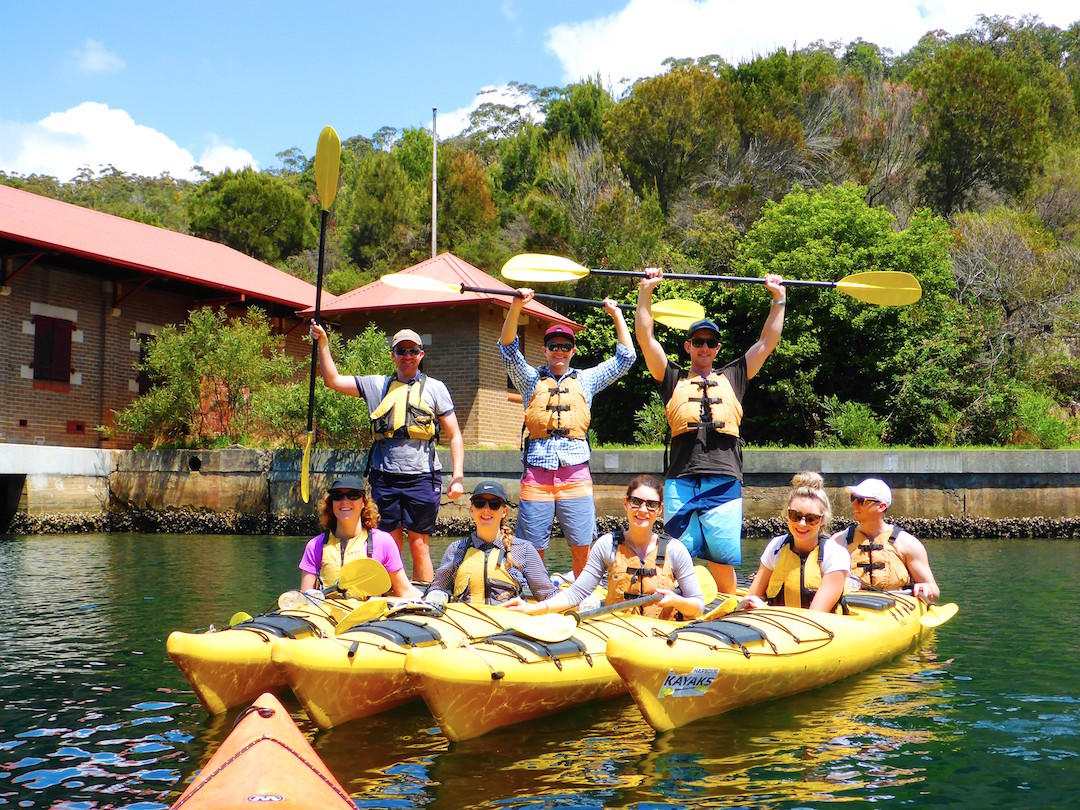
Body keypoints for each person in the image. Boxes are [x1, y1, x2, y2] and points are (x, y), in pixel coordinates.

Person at [635, 267, 786, 595]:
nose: (705, 347)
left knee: (721, 559)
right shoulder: (672, 378)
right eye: (699, 342)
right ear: (688, 346)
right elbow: (646, 339)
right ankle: (675, 610)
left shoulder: (734, 376)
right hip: (681, 478)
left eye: (711, 343)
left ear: (718, 348)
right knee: (677, 555)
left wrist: (779, 300)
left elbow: (766, 343)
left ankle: (727, 609)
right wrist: (646, 291)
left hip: (723, 478)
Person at [310, 322, 464, 583]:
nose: (407, 356)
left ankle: (422, 598)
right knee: (388, 542)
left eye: (412, 351)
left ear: (421, 355)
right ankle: (391, 596)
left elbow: (455, 435)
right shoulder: (376, 385)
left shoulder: (436, 388)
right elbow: (332, 380)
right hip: (385, 476)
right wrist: (323, 342)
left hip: (423, 476)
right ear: (393, 355)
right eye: (401, 351)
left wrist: (457, 476)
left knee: (419, 542)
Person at [498, 291, 636, 576]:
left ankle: (580, 595)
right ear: (545, 350)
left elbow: (626, 358)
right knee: (532, 546)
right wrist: (516, 306)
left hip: (575, 473)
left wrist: (617, 314)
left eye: (565, 346)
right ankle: (538, 592)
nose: (559, 351)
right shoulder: (529, 380)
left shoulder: (586, 379)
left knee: (582, 544)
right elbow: (508, 348)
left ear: (573, 351)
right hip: (537, 471)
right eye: (553, 346)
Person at [506, 474, 705, 620]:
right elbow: (576, 593)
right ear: (625, 504)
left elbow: (698, 607)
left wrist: (676, 601)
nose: (643, 510)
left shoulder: (675, 550)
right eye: (636, 502)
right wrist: (534, 608)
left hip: (662, 636)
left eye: (651, 505)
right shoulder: (607, 545)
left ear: (659, 509)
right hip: (619, 632)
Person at [425, 481, 557, 605]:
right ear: (472, 510)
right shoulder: (456, 549)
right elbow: (439, 587)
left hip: (509, 624)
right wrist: (436, 596)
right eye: (479, 503)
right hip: (466, 621)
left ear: (504, 512)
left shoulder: (524, 549)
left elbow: (547, 595)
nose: (486, 509)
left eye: (494, 504)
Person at [739, 472, 850, 613]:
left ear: (822, 520)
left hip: (820, 629)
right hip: (775, 625)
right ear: (787, 514)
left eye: (811, 518)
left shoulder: (835, 555)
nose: (802, 524)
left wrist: (766, 610)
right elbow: (751, 598)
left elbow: (816, 616)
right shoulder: (776, 546)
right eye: (795, 516)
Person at [298, 476, 422, 599]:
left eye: (353, 495)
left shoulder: (383, 542)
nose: (345, 501)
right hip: (327, 615)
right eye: (337, 496)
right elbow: (305, 597)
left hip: (370, 615)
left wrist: (430, 601)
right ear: (331, 503)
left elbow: (404, 591)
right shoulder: (315, 546)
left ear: (363, 502)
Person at [829, 478, 941, 602]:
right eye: (853, 498)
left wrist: (926, 588)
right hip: (851, 607)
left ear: (881, 506)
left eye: (861, 500)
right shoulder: (838, 541)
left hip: (894, 609)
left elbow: (934, 592)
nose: (854, 504)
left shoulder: (908, 544)